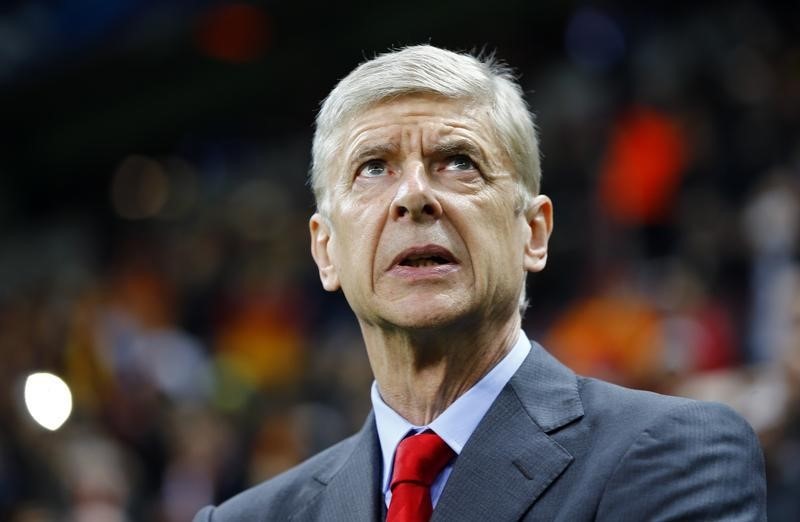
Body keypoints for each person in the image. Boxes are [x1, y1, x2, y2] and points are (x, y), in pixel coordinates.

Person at [194, 45, 766, 521]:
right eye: (373, 167)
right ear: (326, 251)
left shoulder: (676, 455)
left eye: (458, 161)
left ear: (533, 233)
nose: (413, 195)